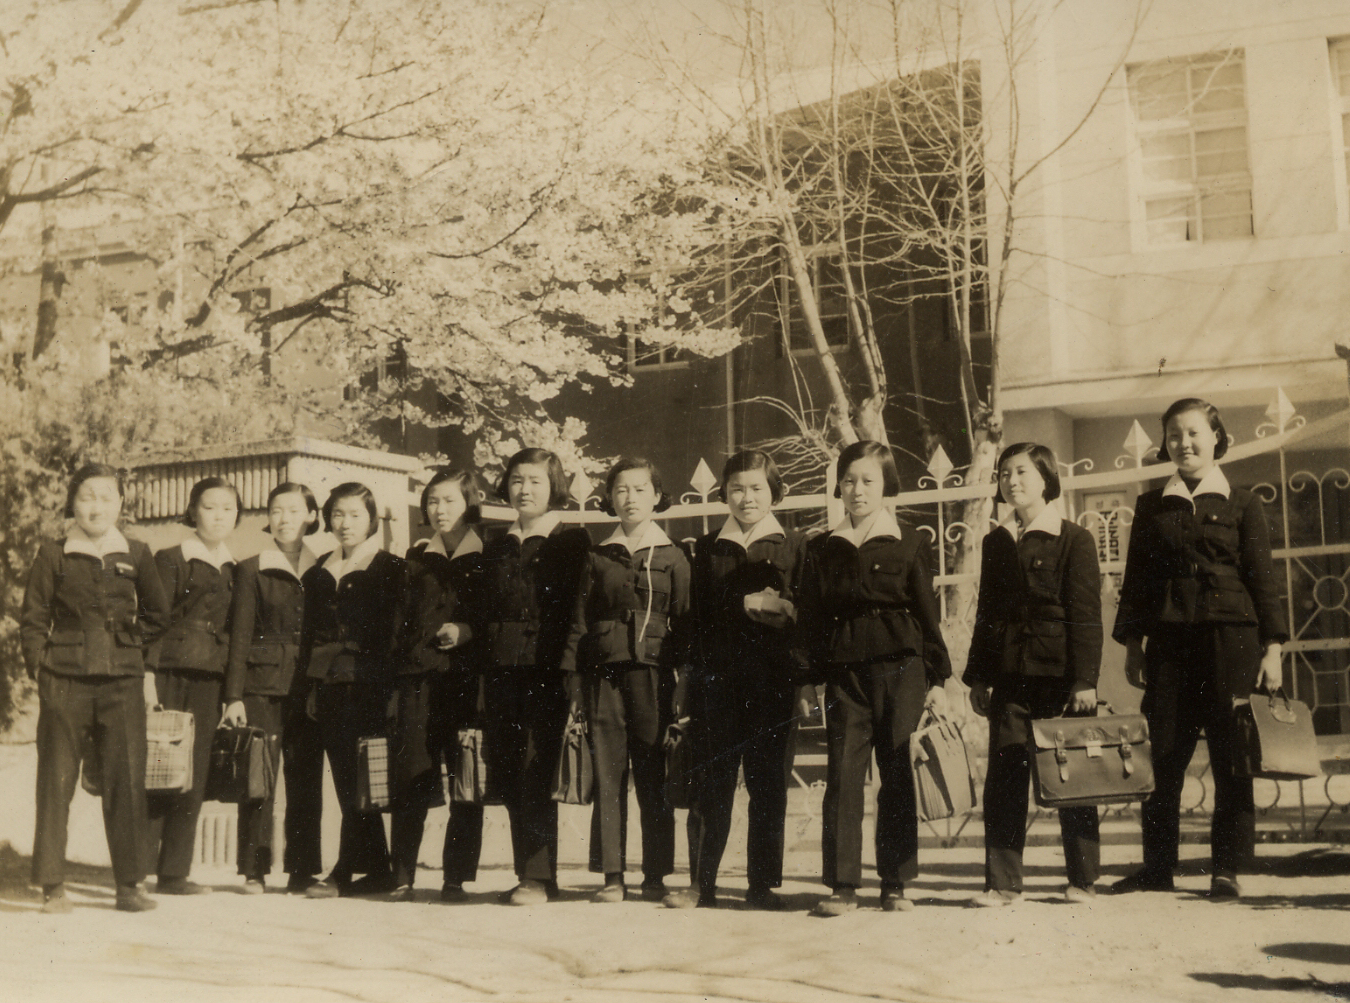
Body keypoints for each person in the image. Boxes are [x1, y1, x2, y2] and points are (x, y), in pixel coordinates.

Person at [1111, 398, 1287, 900]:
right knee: (1163, 754)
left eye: (1193, 433)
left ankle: (1226, 868)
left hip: (1231, 643)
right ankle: (1157, 868)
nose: (1183, 443)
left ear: (1215, 438)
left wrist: (1273, 648)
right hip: (1170, 646)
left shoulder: (1243, 503)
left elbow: (1263, 579)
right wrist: (1133, 644)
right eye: (1173, 435)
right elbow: (1137, 582)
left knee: (1232, 755)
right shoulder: (1151, 506)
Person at [799, 440, 951, 916]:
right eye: (848, 481)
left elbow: (927, 614)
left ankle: (895, 883)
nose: (857, 490)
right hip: (846, 676)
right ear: (838, 487)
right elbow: (810, 620)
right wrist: (807, 679)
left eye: (868, 480)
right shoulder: (822, 548)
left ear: (887, 486)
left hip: (902, 671)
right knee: (843, 775)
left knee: (898, 772)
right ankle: (842, 885)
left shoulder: (911, 541)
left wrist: (939, 680)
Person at [20, 463, 171, 913]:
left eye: (106, 497)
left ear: (120, 503)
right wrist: (41, 669)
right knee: (56, 782)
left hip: (122, 682)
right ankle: (52, 885)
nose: (97, 507)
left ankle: (129, 885)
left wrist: (131, 647)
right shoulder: (53, 553)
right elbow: (33, 617)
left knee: (126, 781)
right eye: (87, 497)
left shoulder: (137, 552)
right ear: (73, 503)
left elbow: (159, 616)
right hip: (64, 680)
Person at [664, 449, 807, 911]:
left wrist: (786, 618)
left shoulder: (795, 545)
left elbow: (810, 616)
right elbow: (693, 618)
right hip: (718, 684)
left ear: (774, 492)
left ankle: (761, 885)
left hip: (773, 684)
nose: (747, 498)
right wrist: (688, 677)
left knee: (768, 783)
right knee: (712, 783)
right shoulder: (706, 549)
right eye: (737, 489)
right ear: (724, 493)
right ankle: (700, 883)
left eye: (757, 488)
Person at [963, 442, 1103, 907]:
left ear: (1046, 478)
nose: (1011, 481)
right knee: (1004, 778)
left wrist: (1085, 680)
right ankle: (1003, 884)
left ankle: (1083, 879)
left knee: (1071, 776)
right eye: (1004, 474)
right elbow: (987, 614)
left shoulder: (1074, 539)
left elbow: (1086, 615)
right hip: (1009, 678)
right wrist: (979, 677)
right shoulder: (996, 541)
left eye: (1021, 472)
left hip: (1059, 680)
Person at [561, 457, 689, 903]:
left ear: (657, 496)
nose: (630, 498)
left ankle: (655, 874)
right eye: (620, 489)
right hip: (603, 677)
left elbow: (686, 623)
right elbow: (579, 621)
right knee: (608, 775)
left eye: (639, 489)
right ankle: (612, 875)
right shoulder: (597, 556)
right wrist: (575, 681)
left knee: (652, 774)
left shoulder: (674, 555)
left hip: (654, 676)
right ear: (609, 498)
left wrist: (684, 683)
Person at [481, 447, 592, 906]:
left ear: (554, 487)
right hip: (501, 671)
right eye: (516, 480)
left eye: (535, 481)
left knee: (536, 768)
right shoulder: (497, 545)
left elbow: (577, 613)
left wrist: (569, 670)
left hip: (546, 670)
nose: (524, 490)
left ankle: (540, 877)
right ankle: (525, 873)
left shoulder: (571, 541)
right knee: (509, 768)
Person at [299, 482, 410, 898]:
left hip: (370, 685)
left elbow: (397, 633)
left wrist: (391, 689)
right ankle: (375, 868)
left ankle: (346, 870)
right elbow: (313, 634)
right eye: (338, 514)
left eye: (355, 515)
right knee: (348, 779)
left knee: (366, 777)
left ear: (372, 519)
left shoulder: (390, 568)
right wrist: (314, 685)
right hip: (330, 685)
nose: (345, 523)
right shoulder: (319, 571)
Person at [388, 467, 488, 903]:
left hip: (467, 682)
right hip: (418, 683)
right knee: (411, 774)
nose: (439, 509)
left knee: (466, 776)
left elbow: (497, 616)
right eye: (432, 501)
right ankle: (402, 876)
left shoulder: (489, 555)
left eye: (449, 500)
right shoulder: (415, 559)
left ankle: (455, 878)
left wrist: (467, 631)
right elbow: (397, 624)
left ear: (469, 503)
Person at [221, 481, 321, 893]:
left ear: (311, 516)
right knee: (258, 778)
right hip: (260, 685)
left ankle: (302, 870)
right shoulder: (251, 569)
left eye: (294, 510)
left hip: (309, 686)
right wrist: (233, 696)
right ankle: (254, 869)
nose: (284, 519)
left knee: (305, 779)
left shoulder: (323, 567)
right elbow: (240, 636)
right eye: (276, 510)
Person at [145, 476, 240, 895]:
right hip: (169, 671)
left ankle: (174, 873)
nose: (218, 516)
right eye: (209, 506)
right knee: (158, 763)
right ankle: (137, 868)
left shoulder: (237, 569)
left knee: (194, 772)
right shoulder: (171, 558)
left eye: (227, 509)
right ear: (192, 511)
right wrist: (147, 678)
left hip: (210, 678)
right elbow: (153, 620)